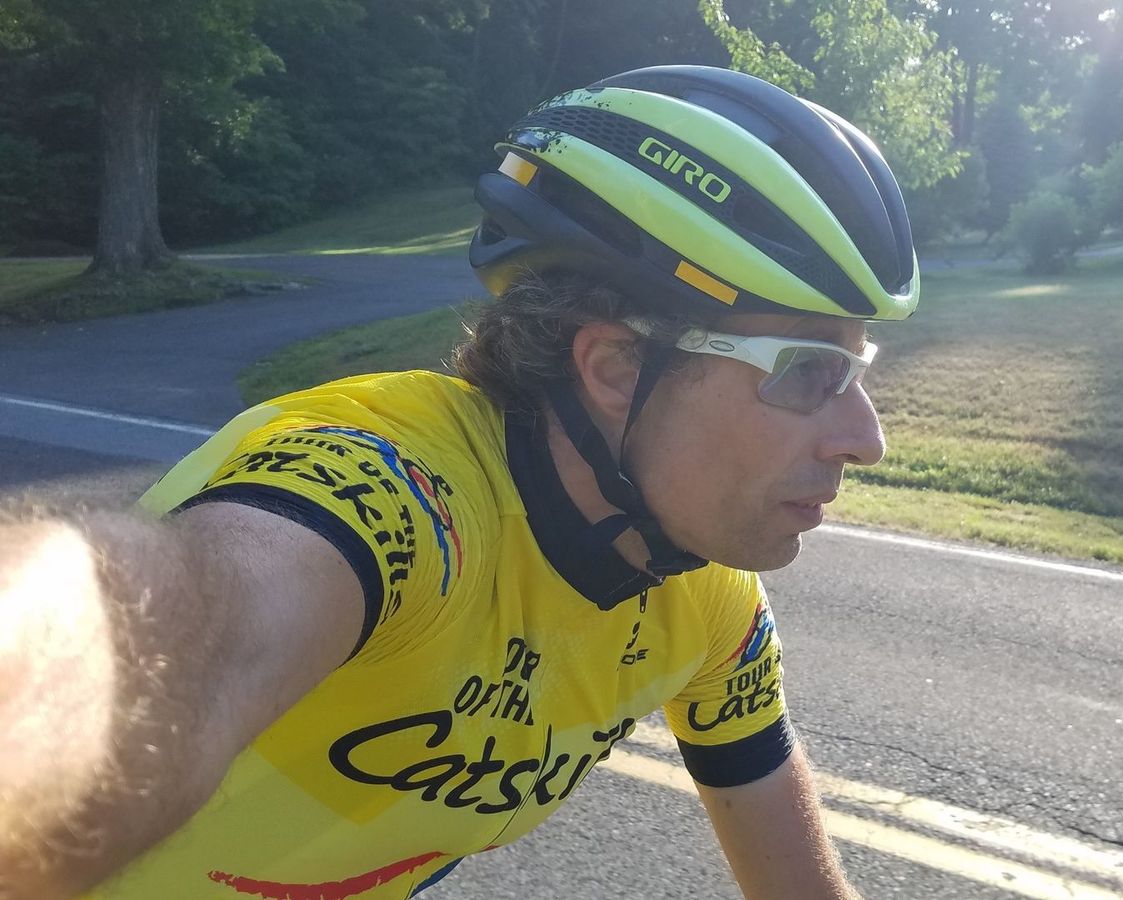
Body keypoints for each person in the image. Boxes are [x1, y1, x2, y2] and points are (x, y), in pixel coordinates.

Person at [0, 64, 918, 899]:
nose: (866, 439)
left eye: (859, 368)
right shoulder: (392, 490)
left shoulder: (709, 604)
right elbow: (180, 630)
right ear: (617, 366)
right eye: (809, 370)